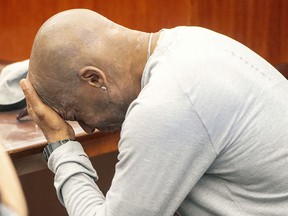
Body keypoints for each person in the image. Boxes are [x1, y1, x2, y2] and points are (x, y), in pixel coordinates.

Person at [20, 8, 288, 216]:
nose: (88, 128)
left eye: (76, 113)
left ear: (94, 78)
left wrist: (61, 143)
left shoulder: (166, 103)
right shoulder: (192, 40)